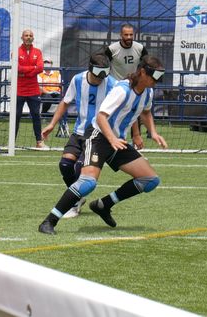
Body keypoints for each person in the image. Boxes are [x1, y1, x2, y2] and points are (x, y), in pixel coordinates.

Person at [38, 55, 168, 235]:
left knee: (150, 180)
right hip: (99, 136)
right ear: (143, 72)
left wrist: (152, 132)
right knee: (87, 183)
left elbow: (145, 112)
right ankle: (49, 221)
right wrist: (112, 139)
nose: (157, 81)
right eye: (154, 77)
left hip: (117, 141)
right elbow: (101, 116)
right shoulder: (122, 89)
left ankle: (103, 205)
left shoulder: (148, 92)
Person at [40, 54, 116, 218]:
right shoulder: (78, 80)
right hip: (78, 132)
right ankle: (78, 197)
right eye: (98, 74)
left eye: (105, 74)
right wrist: (52, 124)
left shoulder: (112, 84)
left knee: (78, 169)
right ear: (90, 68)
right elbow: (65, 102)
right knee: (65, 165)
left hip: (97, 136)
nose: (101, 78)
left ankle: (73, 204)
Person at [15, 29, 45, 148]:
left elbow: (40, 68)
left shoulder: (37, 52)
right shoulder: (16, 51)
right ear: (22, 37)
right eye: (26, 35)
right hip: (19, 89)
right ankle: (12, 141)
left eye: (30, 35)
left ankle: (39, 141)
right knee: (16, 115)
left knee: (36, 115)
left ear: (33, 38)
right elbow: (17, 68)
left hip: (33, 89)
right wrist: (32, 69)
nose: (28, 37)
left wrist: (25, 71)